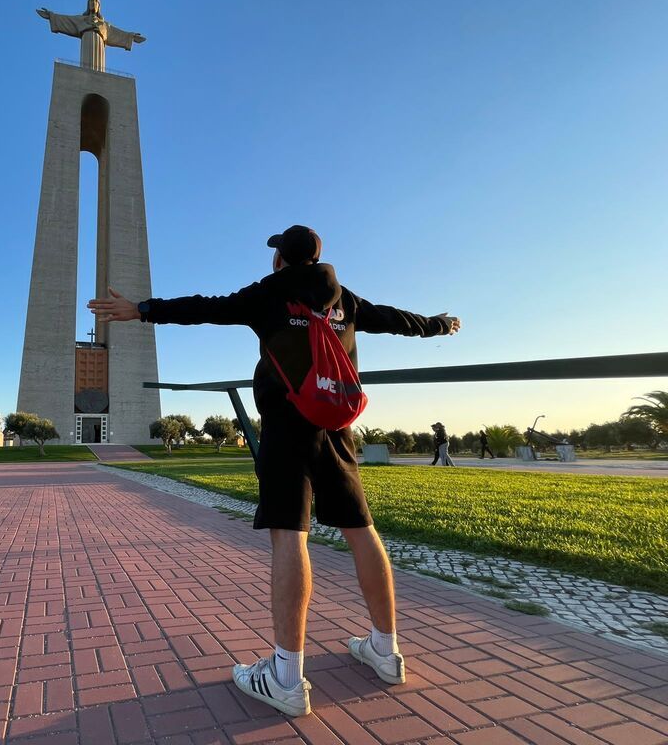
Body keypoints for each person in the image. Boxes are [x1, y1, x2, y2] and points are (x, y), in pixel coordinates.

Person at [89, 225, 460, 717]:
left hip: (287, 430)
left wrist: (143, 309)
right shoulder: (345, 300)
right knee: (361, 529)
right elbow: (397, 319)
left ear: (280, 260)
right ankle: (386, 652)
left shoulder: (269, 294)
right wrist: (438, 324)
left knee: (290, 537)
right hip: (336, 426)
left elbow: (206, 307)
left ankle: (286, 677)